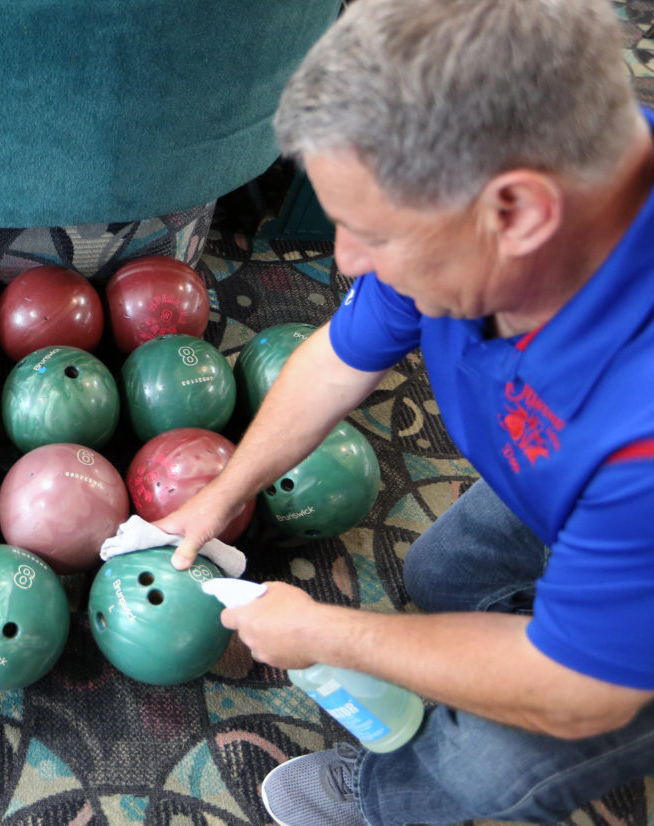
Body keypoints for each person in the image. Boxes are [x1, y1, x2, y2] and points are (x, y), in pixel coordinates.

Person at [152, 0, 654, 823]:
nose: (346, 261)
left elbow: (578, 694)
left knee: (484, 757)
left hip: (613, 535)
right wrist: (226, 488)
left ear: (519, 213)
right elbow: (338, 360)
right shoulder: (534, 151)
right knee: (443, 574)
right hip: (573, 472)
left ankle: (387, 800)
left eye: (372, 234)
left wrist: (330, 636)